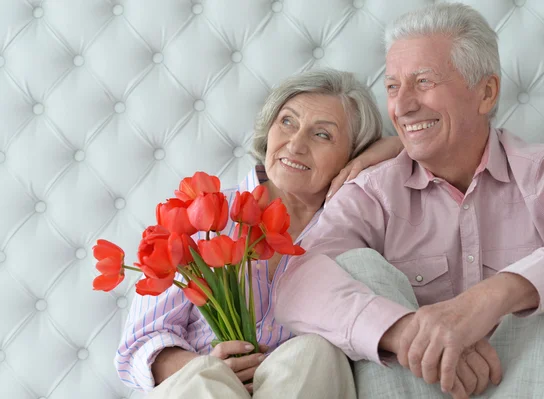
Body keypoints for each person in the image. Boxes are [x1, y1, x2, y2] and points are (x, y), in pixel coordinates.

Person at [274, 4, 544, 399]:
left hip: (539, 381)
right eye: (393, 87)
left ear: (486, 92)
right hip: (416, 387)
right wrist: (404, 330)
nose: (403, 105)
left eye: (424, 81)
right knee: (356, 266)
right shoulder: (372, 192)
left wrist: (493, 298)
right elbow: (296, 285)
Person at [115, 68, 404, 398]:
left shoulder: (354, 232)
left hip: (301, 385)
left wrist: (388, 150)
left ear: (354, 155)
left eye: (322, 135)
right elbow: (140, 343)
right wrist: (212, 368)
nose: (295, 144)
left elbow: (434, 153)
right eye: (287, 122)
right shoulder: (201, 215)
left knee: (315, 352)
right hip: (200, 389)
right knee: (204, 378)